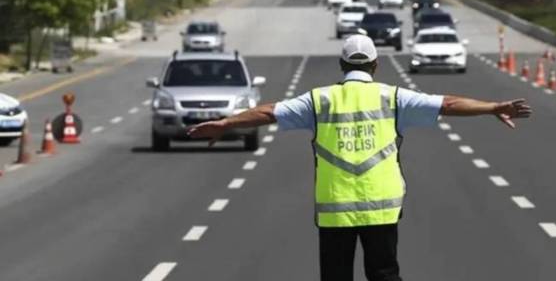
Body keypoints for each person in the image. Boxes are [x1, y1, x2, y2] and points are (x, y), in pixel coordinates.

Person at [188, 35, 532, 281]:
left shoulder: (319, 101)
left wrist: (226, 124)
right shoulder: (393, 97)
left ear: (341, 65)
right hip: (382, 207)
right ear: (376, 65)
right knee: (385, 274)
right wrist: (493, 107)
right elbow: (448, 104)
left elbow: (268, 112)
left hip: (335, 210)